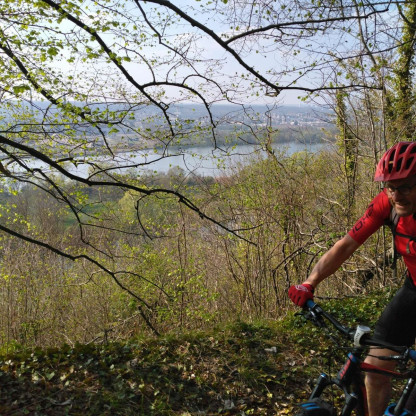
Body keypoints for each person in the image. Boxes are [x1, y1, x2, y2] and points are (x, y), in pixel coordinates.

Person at [288, 141, 416, 416]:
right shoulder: (387, 204)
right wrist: (310, 282)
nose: (397, 195)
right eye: (390, 187)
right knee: (375, 368)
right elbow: (346, 245)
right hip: (413, 290)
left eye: (406, 187)